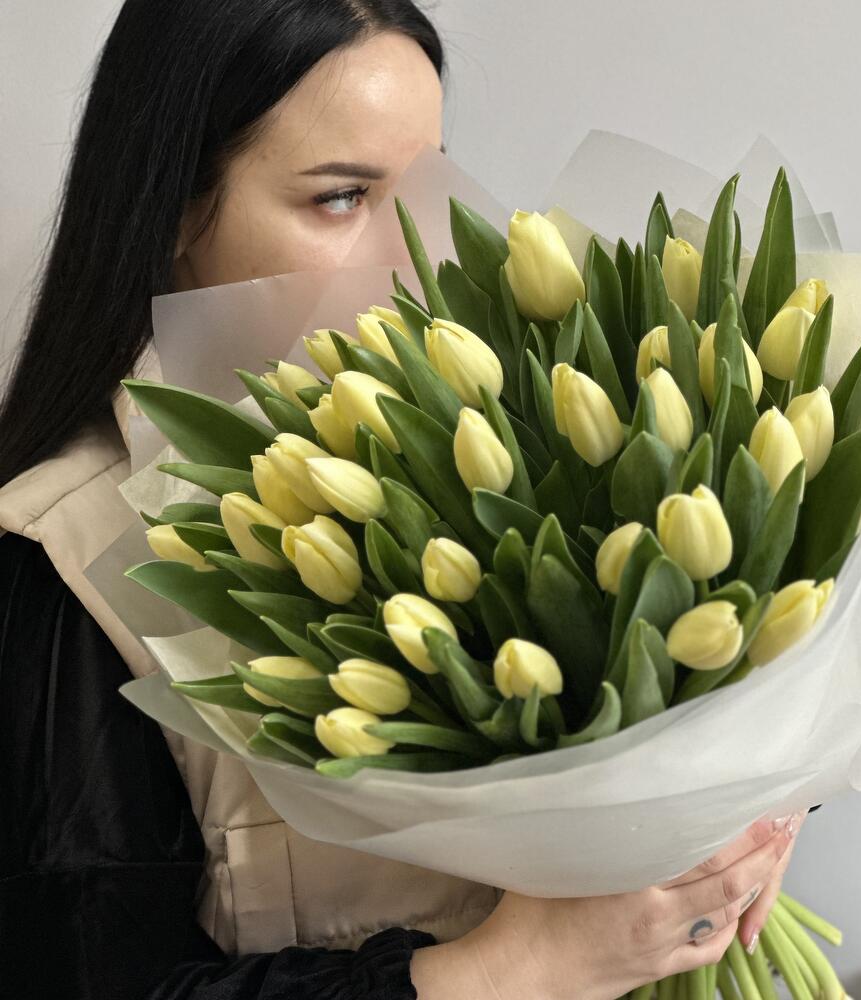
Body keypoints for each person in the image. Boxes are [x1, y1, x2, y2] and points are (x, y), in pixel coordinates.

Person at [0, 2, 810, 997]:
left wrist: (731, 824)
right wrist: (526, 966)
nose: (419, 252)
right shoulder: (64, 561)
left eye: (427, 184)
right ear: (172, 209)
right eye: (341, 197)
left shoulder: (518, 428)